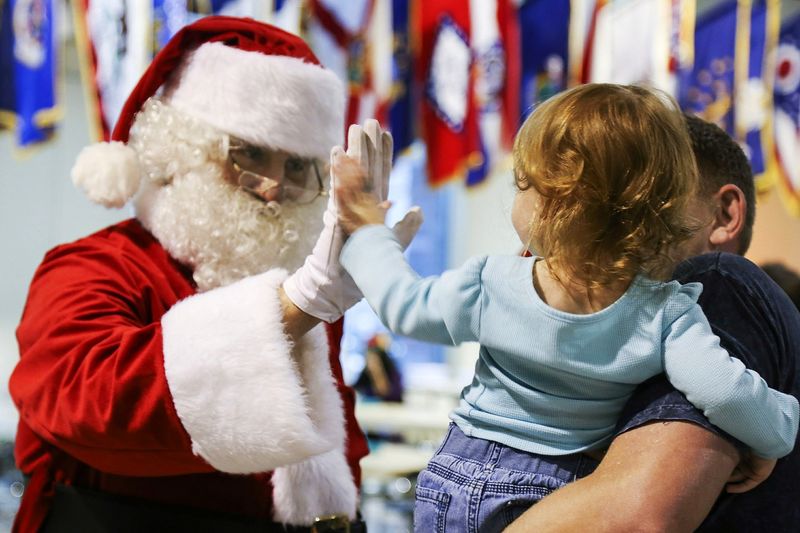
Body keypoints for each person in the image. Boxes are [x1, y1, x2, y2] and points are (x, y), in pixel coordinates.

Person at [8, 16, 422, 532]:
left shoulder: (308, 287)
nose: (273, 185)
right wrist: (295, 310)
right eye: (248, 152)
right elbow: (85, 405)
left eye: (298, 167)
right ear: (181, 148)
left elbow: (337, 443)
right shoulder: (97, 265)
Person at [333, 83, 799, 532]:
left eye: (523, 182)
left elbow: (403, 305)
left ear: (556, 204)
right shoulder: (666, 314)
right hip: (555, 492)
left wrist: (367, 230)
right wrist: (770, 435)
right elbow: (723, 391)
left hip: (454, 476)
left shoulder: (492, 282)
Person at [506, 113, 800, 532]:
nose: (605, 219)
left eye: (643, 196)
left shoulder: (715, 282)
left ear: (723, 214)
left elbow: (634, 519)